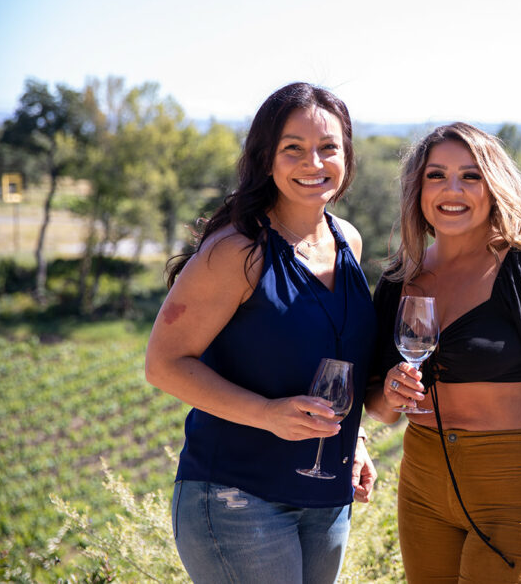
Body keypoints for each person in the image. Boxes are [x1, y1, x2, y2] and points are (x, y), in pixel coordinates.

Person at [145, 82, 382, 584]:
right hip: (237, 494)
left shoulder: (348, 242)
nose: (312, 162)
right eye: (292, 148)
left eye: (328, 148)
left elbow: (335, 360)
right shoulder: (237, 251)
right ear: (265, 158)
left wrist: (354, 436)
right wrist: (267, 415)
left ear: (347, 156)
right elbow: (163, 364)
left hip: (326, 498)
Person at [366, 122, 521, 583]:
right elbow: (380, 408)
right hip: (422, 480)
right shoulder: (400, 278)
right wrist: (390, 395)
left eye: (470, 176)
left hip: (509, 481)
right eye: (437, 175)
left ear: (494, 187)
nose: (453, 190)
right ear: (418, 189)